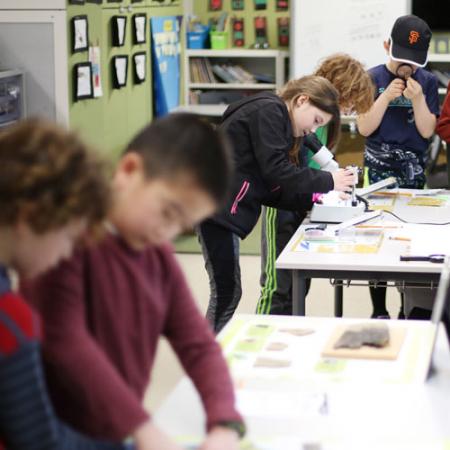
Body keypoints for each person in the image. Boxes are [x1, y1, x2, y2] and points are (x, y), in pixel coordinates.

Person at [22, 114, 245, 450]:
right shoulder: (62, 242)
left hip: (112, 431)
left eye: (182, 226)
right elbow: (67, 343)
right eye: (168, 212)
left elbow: (197, 344)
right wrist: (143, 427)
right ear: (128, 170)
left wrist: (224, 423)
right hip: (47, 434)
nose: (166, 233)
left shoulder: (157, 255)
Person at [0, 119, 131, 450]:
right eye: (69, 237)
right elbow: (44, 443)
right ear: (29, 216)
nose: (66, 254)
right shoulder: (10, 320)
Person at [198, 75, 357, 332]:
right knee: (227, 293)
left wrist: (311, 200)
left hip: (224, 208)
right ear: (302, 100)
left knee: (229, 291)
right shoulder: (270, 111)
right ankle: (206, 362)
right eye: (316, 121)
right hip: (214, 209)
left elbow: (273, 189)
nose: (313, 131)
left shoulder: (277, 120)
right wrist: (329, 181)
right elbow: (278, 172)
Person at [256, 53, 375, 315]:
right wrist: (329, 181)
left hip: (303, 201)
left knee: (299, 286)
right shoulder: (295, 117)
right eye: (350, 104)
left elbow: (316, 163)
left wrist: (332, 185)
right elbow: (286, 172)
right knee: (278, 287)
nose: (348, 112)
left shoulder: (320, 124)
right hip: (281, 204)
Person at [357, 14, 439, 319]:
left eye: (414, 61)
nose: (408, 67)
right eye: (401, 58)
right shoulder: (371, 78)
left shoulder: (427, 81)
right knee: (377, 239)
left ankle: (408, 307)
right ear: (386, 46)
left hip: (413, 176)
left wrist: (417, 100)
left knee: (410, 242)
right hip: (377, 173)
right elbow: (365, 127)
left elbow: (427, 130)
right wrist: (385, 98)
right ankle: (379, 309)